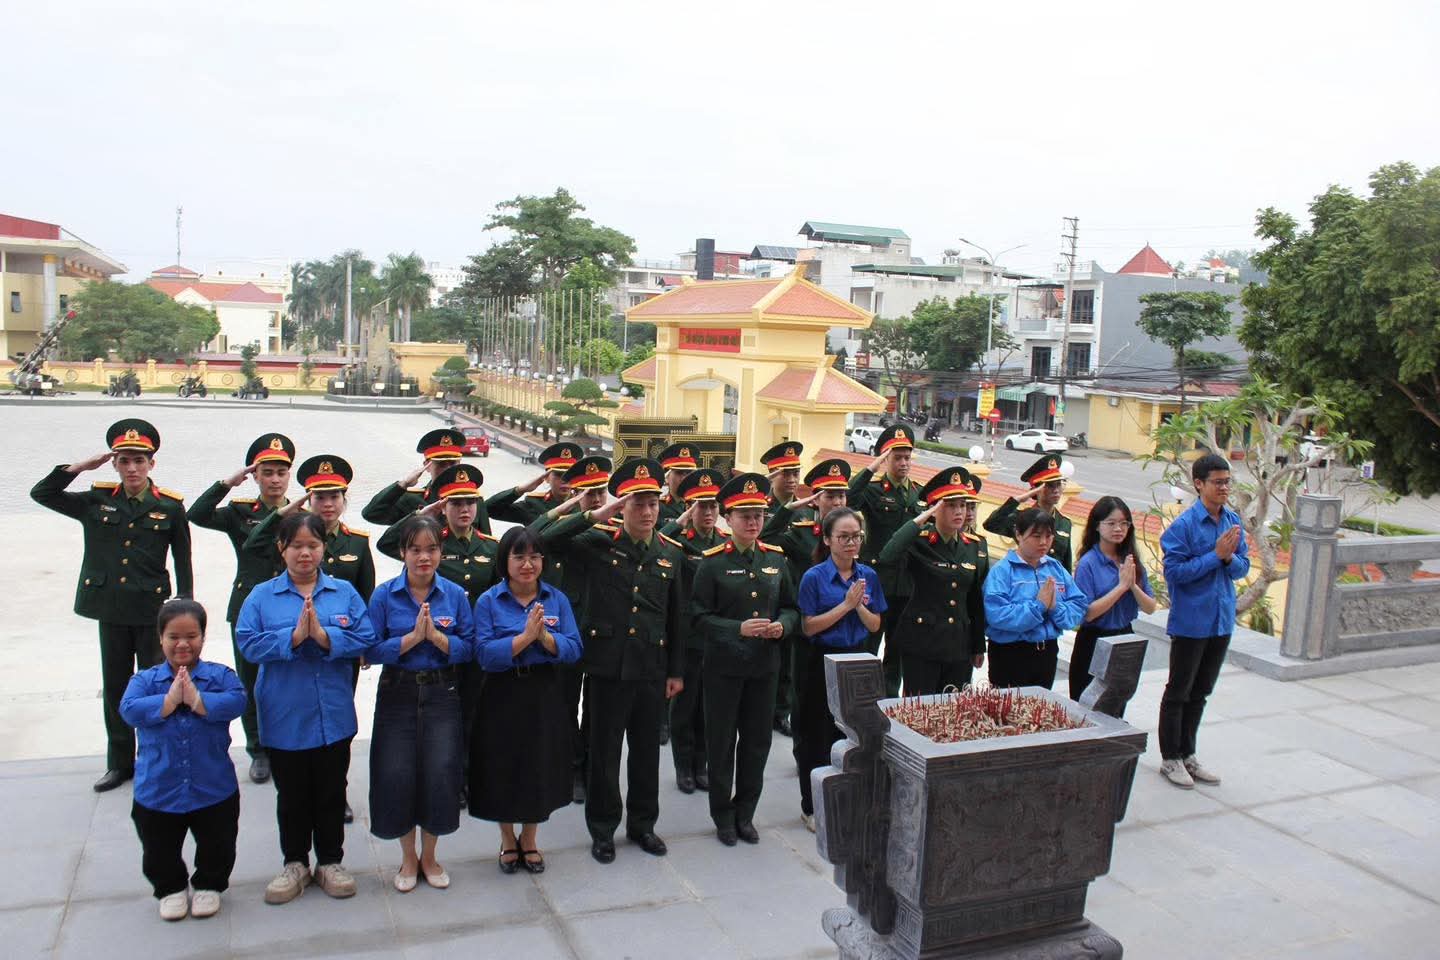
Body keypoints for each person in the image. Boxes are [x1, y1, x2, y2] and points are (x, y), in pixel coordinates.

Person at [31, 418, 194, 792]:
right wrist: (78, 468)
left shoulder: (169, 507)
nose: (132, 468)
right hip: (112, 610)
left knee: (157, 686)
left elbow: (182, 557)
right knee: (117, 687)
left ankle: (157, 758)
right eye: (124, 461)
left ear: (151, 464)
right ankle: (119, 763)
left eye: (139, 461)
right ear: (114, 464)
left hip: (152, 611)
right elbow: (42, 493)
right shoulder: (96, 500)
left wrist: (185, 602)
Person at [537, 459, 685, 864]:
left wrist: (675, 671)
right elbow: (544, 540)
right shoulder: (598, 542)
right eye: (638, 503)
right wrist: (595, 513)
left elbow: (676, 617)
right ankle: (602, 829)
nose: (647, 511)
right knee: (604, 754)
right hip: (607, 667)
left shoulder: (670, 553)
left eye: (653, 503)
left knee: (646, 754)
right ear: (623, 505)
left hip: (651, 668)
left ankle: (643, 825)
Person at [237, 512, 376, 905]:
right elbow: (248, 643)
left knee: (332, 791)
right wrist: (294, 637)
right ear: (281, 548)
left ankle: (330, 862)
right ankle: (295, 863)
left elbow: (366, 635)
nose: (305, 553)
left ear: (323, 548)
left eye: (312, 545)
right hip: (285, 714)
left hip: (333, 713)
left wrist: (327, 637)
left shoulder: (343, 592)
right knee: (292, 795)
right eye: (296, 545)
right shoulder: (262, 596)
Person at [378, 463, 500, 806]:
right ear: (443, 506)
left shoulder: (491, 548)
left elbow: (497, 598)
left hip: (473, 648)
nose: (464, 510)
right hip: (433, 649)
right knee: (436, 719)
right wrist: (423, 513)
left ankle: (467, 776)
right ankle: (441, 779)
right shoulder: (430, 545)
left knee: (472, 714)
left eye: (470, 502)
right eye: (455, 503)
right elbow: (388, 542)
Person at [366, 515, 476, 892]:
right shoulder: (384, 595)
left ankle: (429, 856)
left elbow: (469, 647)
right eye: (415, 549)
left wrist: (439, 640)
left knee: (439, 771)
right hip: (397, 692)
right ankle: (408, 858)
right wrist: (411, 640)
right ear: (402, 552)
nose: (423, 557)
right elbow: (369, 649)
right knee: (396, 772)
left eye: (431, 549)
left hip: (442, 693)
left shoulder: (454, 595)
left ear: (441, 552)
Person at [121, 599, 246, 921]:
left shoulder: (219, 676)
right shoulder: (145, 681)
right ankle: (171, 888)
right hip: (159, 787)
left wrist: (198, 700)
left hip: (212, 784)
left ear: (203, 637)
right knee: (158, 845)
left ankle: (209, 884)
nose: (182, 644)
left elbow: (237, 700)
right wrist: (168, 701)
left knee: (217, 841)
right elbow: (129, 709)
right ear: (160, 638)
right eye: (173, 636)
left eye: (191, 636)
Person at [692, 473, 798, 846]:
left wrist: (783, 626)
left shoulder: (775, 559)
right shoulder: (712, 563)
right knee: (721, 743)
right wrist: (737, 628)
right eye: (744, 515)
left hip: (763, 668)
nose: (753, 522)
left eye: (758, 515)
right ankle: (722, 814)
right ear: (728, 518)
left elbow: (791, 607)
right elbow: (698, 618)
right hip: (723, 669)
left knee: (756, 744)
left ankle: (746, 813)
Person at [471, 527, 582, 875]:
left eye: (534, 556)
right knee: (503, 765)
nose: (527, 564)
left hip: (543, 692)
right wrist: (523, 639)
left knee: (538, 764)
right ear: (504, 561)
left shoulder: (556, 599)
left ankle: (530, 838)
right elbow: (484, 654)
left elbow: (574, 648)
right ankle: (507, 839)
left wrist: (545, 638)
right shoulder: (489, 601)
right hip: (501, 692)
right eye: (519, 557)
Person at [186, 432, 295, 784]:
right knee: (251, 680)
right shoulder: (240, 512)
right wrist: (227, 483)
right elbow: (197, 514)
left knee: (287, 679)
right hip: (249, 607)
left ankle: (286, 744)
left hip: (290, 608)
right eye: (267, 472)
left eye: (281, 472)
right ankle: (258, 749)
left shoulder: (302, 514)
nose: (275, 479)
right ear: (255, 476)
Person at [1157, 453, 1250, 790]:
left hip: (1220, 620)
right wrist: (1215, 556)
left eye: (1227, 482)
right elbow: (1175, 573)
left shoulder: (1232, 521)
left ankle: (1188, 753)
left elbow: (1242, 567)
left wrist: (1227, 560)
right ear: (1199, 484)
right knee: (1179, 691)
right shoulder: (1183, 527)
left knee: (1201, 691)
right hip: (1191, 621)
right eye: (1217, 482)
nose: (1224, 488)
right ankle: (1170, 758)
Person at [795, 507, 886, 832]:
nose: (851, 543)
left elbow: (875, 625)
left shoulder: (868, 576)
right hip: (822, 659)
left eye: (856, 536)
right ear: (828, 539)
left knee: (853, 736)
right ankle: (812, 806)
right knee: (816, 735)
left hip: (857, 659)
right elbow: (808, 626)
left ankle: (848, 803)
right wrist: (845, 605)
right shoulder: (814, 577)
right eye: (843, 537)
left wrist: (858, 605)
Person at [528, 454, 612, 804]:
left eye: (600, 492)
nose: (596, 499)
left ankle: (589, 766)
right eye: (587, 493)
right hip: (565, 633)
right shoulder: (562, 530)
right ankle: (571, 765)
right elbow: (534, 536)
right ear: (574, 495)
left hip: (603, 633)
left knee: (597, 708)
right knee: (563, 704)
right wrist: (577, 512)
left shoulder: (615, 529)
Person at [878, 468, 987, 695]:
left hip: (958, 644)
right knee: (919, 707)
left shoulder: (973, 546)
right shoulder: (919, 541)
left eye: (963, 505)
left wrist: (978, 645)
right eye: (950, 505)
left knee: (953, 708)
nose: (959, 511)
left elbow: (975, 598)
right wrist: (920, 519)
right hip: (922, 643)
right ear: (934, 509)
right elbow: (887, 556)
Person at [659, 468, 728, 794]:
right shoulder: (678, 542)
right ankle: (683, 766)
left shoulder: (725, 543)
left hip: (715, 637)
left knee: (709, 707)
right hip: (687, 636)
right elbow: (658, 544)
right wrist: (679, 521)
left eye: (713, 506)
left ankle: (702, 764)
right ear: (689, 508)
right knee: (684, 707)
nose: (709, 512)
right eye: (702, 506)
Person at [847, 425, 921, 697]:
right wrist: (871, 468)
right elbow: (849, 499)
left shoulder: (919, 494)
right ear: (885, 459)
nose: (903, 463)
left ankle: (889, 699)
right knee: (868, 645)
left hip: (908, 584)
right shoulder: (874, 490)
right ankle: (862, 698)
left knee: (897, 648)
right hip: (876, 582)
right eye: (897, 457)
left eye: (907, 457)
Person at [983, 508, 1088, 689]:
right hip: (1011, 653)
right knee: (1009, 705)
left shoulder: (1055, 568)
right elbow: (997, 614)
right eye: (1036, 536)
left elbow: (1078, 605)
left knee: (1041, 704)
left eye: (1049, 536)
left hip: (1047, 651)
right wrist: (1038, 607)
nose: (1043, 542)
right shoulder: (1002, 571)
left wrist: (1055, 608)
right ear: (1018, 534)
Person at [1071, 497, 1158, 707]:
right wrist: (1121, 587)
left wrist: (1132, 585)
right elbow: (1087, 613)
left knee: (1117, 704)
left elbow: (1150, 607)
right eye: (1111, 523)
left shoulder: (1131, 561)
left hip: (1124, 638)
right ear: (1097, 526)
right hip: (1094, 640)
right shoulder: (1088, 563)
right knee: (1088, 705)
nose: (1118, 529)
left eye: (1124, 523)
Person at [363, 428, 492, 534]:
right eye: (441, 464)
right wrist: (403, 484)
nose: (448, 469)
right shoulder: (411, 499)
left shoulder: (474, 501)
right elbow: (371, 514)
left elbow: (485, 543)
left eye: (452, 463)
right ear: (427, 466)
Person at [984, 454, 1075, 571]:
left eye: (1058, 484)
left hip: (1054, 580)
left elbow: (1066, 565)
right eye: (1050, 486)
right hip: (1026, 577)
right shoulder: (1023, 518)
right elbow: (991, 524)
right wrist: (1018, 500)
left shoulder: (1064, 523)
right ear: (1036, 490)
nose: (1056, 490)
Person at [484, 441, 583, 525]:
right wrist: (519, 490)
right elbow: (488, 510)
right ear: (546, 478)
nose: (564, 480)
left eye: (569, 475)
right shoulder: (534, 504)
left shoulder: (584, 503)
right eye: (558, 475)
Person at [656, 441, 699, 526]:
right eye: (679, 473)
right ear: (667, 478)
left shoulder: (700, 504)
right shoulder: (657, 506)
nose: (684, 478)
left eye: (688, 473)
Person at [760, 441, 804, 511]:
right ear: (771, 476)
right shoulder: (760, 508)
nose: (792, 480)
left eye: (796, 474)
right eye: (785, 474)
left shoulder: (807, 509)